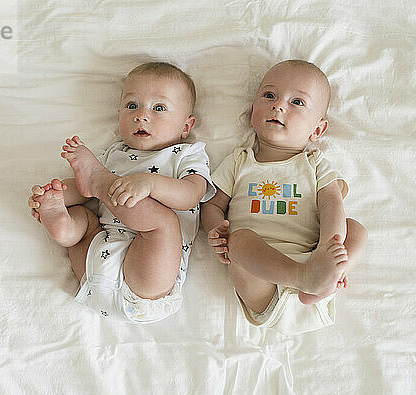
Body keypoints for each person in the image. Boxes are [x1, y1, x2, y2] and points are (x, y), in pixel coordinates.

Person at [29, 62, 216, 323]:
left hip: (146, 285)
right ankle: (64, 226)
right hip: (96, 262)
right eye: (132, 106)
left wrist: (151, 183)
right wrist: (57, 195)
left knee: (163, 223)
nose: (141, 115)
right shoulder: (115, 154)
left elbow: (191, 195)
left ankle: (97, 188)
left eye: (158, 108)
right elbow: (84, 191)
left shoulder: (187, 154)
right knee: (83, 214)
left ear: (186, 126)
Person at [201, 60, 367, 335]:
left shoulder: (315, 164)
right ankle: (309, 279)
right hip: (262, 281)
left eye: (297, 102)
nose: (278, 106)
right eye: (269, 96)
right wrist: (215, 228)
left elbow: (331, 203)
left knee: (356, 230)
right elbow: (212, 204)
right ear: (252, 111)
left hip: (314, 261)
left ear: (317, 130)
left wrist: (327, 250)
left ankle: (329, 277)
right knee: (239, 239)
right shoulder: (240, 161)